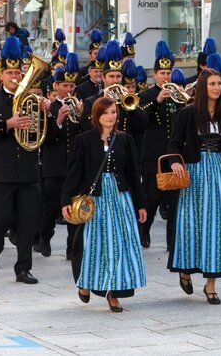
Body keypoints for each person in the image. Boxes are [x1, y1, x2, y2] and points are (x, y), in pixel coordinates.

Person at [0, 36, 51, 284]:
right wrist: (7, 124)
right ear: (1, 75)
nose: (15, 77)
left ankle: (23, 268)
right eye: (10, 73)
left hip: (28, 171)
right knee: (0, 218)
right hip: (1, 171)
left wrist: (47, 113)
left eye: (18, 72)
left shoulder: (32, 99)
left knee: (28, 222)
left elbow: (46, 135)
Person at [167, 67, 221, 305]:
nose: (217, 88)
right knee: (191, 224)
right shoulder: (188, 113)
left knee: (218, 226)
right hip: (195, 172)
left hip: (220, 171)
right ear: (203, 87)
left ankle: (211, 285)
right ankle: (185, 269)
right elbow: (174, 143)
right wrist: (174, 162)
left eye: (219, 83)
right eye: (212, 84)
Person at [62, 97, 147, 313]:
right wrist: (66, 201)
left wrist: (141, 204)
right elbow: (73, 173)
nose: (110, 116)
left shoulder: (125, 139)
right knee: (94, 244)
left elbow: (133, 174)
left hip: (120, 198)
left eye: (113, 112)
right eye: (105, 112)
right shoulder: (84, 140)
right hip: (94, 201)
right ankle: (85, 281)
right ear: (96, 115)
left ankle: (113, 293)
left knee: (120, 244)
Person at [36, 52, 82, 259]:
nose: (69, 89)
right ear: (56, 86)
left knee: (75, 207)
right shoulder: (49, 108)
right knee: (51, 207)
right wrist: (58, 121)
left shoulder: (79, 106)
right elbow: (45, 139)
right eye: (65, 86)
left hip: (74, 166)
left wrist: (82, 115)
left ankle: (72, 247)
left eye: (71, 86)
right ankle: (44, 238)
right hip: (54, 166)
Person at [136, 40, 181, 249]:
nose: (166, 76)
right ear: (155, 75)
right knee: (151, 198)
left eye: (168, 72)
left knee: (174, 202)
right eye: (162, 73)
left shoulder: (177, 94)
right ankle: (144, 232)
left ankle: (172, 242)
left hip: (172, 155)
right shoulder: (145, 95)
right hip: (152, 155)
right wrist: (158, 101)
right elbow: (141, 121)